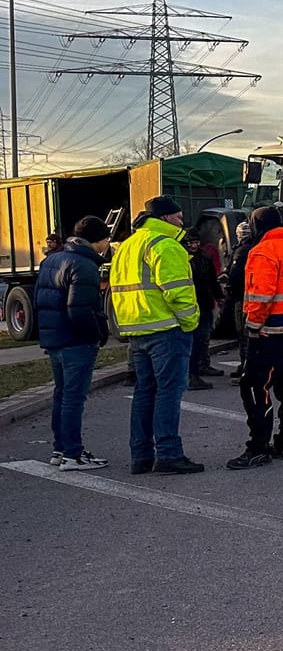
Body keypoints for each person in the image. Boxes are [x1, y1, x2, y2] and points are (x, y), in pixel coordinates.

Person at [110, 196, 204, 474]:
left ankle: (140, 456)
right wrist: (190, 323)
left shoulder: (127, 246)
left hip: (137, 329)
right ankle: (168, 453)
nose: (181, 222)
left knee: (144, 393)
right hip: (166, 329)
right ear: (164, 218)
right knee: (168, 394)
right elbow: (178, 292)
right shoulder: (166, 245)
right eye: (177, 217)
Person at [232, 205, 283, 468]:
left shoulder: (262, 251)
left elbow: (260, 294)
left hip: (271, 331)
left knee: (255, 386)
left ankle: (258, 446)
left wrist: (253, 326)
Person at [36, 216, 112, 470]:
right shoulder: (84, 265)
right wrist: (95, 334)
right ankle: (72, 453)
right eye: (106, 239)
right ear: (96, 240)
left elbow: (42, 301)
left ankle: (60, 449)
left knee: (61, 395)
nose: (107, 244)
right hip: (76, 340)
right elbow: (79, 308)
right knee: (73, 398)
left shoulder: (52, 259)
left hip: (55, 338)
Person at [185, 231, 222, 390]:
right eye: (190, 243)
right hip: (190, 305)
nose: (194, 245)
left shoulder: (204, 257)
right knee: (193, 342)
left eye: (196, 242)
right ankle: (191, 374)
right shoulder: (182, 257)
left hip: (205, 303)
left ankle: (201, 367)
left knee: (202, 339)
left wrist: (218, 296)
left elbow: (212, 280)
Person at [224, 219, 256, 385]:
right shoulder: (250, 248)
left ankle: (246, 368)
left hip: (241, 297)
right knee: (245, 334)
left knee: (244, 334)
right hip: (246, 295)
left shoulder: (242, 251)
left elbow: (236, 275)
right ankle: (245, 365)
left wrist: (228, 287)